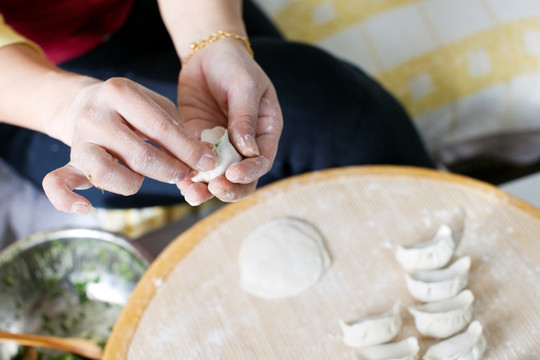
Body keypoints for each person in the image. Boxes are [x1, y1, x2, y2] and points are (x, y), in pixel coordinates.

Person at [0, 0, 434, 215]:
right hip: (28, 87)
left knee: (320, 105)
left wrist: (212, 38)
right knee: (318, 115)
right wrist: (68, 109)